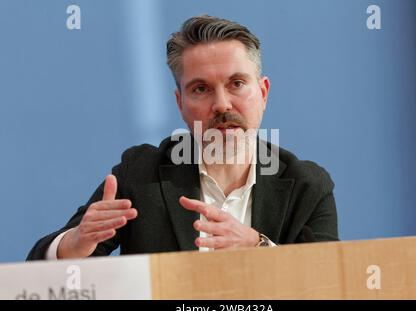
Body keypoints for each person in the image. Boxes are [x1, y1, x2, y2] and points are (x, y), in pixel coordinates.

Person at [27, 15, 338, 260]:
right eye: (201, 89)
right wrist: (75, 244)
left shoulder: (307, 185)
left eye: (237, 83)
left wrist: (259, 249)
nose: (222, 105)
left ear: (263, 92)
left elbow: (330, 283)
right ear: (180, 103)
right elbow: (42, 266)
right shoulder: (140, 174)